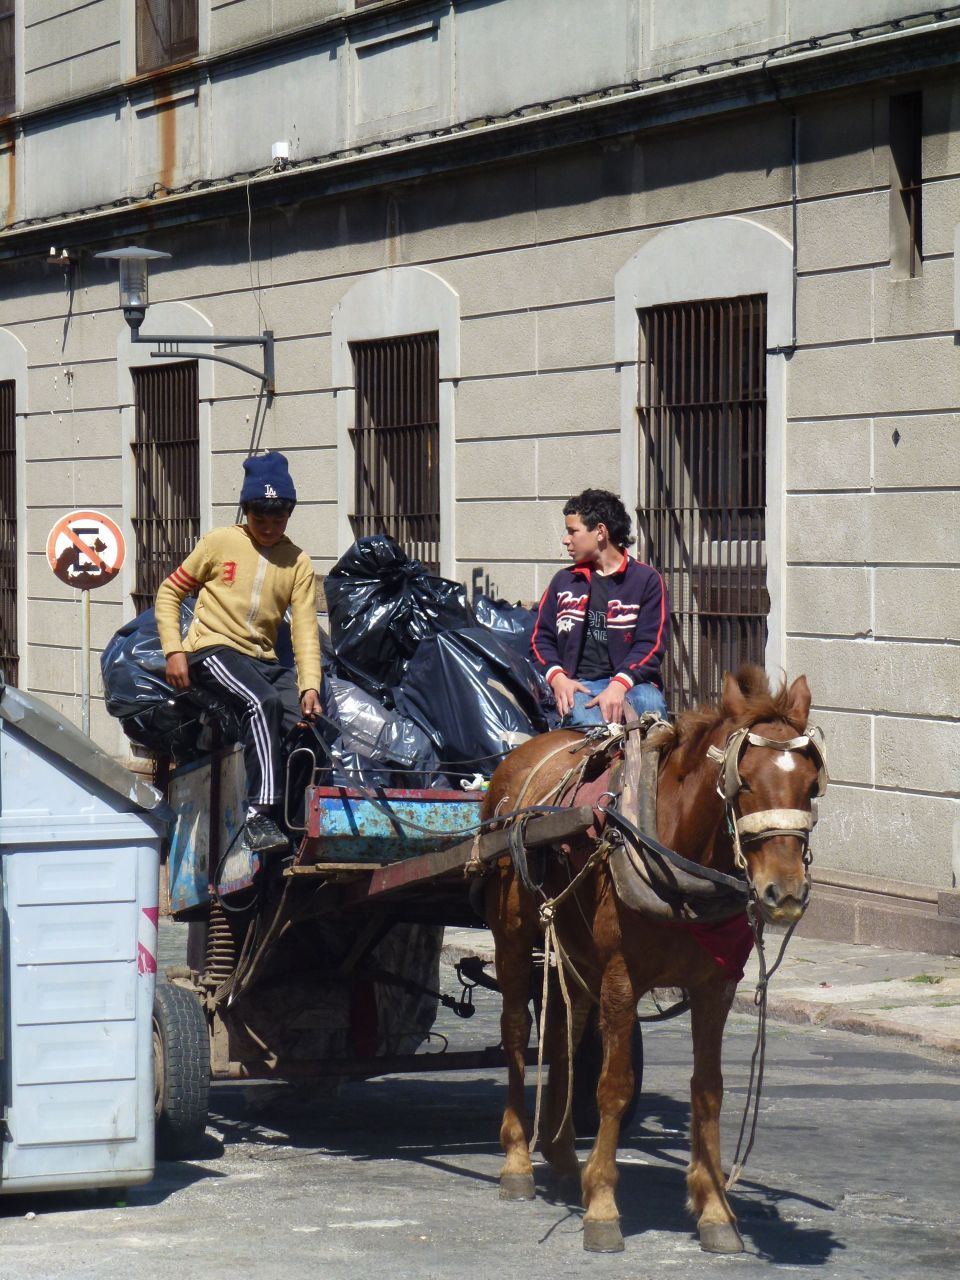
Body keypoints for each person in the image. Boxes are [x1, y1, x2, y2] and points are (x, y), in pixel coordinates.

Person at [155, 451, 322, 854]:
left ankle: (296, 823)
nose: (269, 528)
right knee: (261, 702)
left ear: (289, 515)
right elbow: (169, 592)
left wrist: (310, 686)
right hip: (212, 650)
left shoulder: (298, 563)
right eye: (260, 519)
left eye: (278, 520)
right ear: (246, 511)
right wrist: (174, 651)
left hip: (264, 661)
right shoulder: (219, 542)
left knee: (311, 727)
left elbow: (304, 630)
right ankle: (259, 815)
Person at [531, 488, 669, 728]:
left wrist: (619, 684)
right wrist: (557, 677)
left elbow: (651, 644)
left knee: (651, 708)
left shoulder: (646, 580)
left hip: (633, 684)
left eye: (573, 531)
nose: (566, 540)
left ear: (600, 532)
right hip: (578, 686)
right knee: (590, 729)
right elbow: (540, 639)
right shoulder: (563, 581)